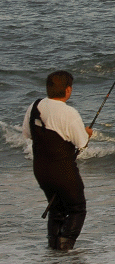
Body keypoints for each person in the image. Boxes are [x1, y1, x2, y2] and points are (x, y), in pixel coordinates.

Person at [22, 71, 93, 251]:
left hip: (40, 170)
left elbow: (28, 134)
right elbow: (82, 143)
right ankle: (64, 249)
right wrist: (87, 134)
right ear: (68, 90)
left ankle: (53, 252)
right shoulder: (69, 113)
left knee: (56, 210)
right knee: (77, 209)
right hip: (63, 172)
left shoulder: (34, 106)